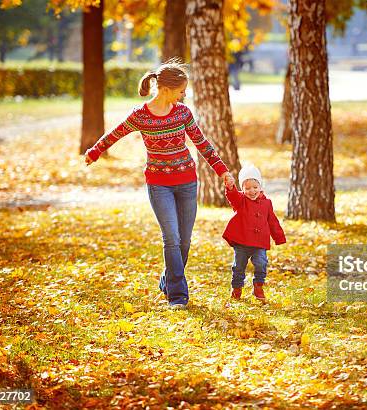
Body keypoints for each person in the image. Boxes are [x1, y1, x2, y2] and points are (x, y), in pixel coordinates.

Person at [84, 58, 235, 309]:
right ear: (166, 89)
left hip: (187, 182)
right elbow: (115, 133)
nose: (184, 95)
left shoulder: (183, 113)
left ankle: (168, 279)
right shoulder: (141, 116)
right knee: (171, 238)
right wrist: (95, 151)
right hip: (159, 184)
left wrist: (223, 171)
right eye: (181, 90)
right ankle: (178, 296)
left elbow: (202, 144)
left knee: (184, 241)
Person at [222, 164, 286, 302]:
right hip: (242, 241)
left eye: (255, 187)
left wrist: (279, 237)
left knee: (261, 263)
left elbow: (272, 221)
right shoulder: (241, 201)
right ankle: (237, 288)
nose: (252, 191)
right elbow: (232, 196)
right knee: (238, 266)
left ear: (261, 186)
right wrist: (230, 187)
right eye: (247, 188)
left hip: (259, 242)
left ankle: (258, 286)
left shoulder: (267, 203)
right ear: (242, 189)